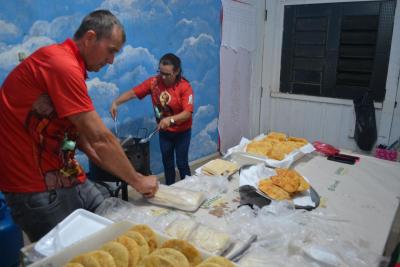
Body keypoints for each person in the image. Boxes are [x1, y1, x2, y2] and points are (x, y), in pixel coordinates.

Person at [0, 10, 158, 242]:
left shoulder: (68, 64)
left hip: (66, 172)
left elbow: (85, 141)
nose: (112, 60)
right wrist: (137, 180)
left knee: (111, 232)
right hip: (35, 185)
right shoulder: (61, 65)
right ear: (90, 38)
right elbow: (100, 138)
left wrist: (130, 177)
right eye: (111, 50)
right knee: (74, 254)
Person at [110, 53, 194, 185]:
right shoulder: (154, 83)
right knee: (167, 163)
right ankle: (171, 189)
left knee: (182, 162)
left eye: (167, 74)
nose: (163, 77)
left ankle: (190, 189)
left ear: (177, 71)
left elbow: (187, 113)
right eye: (161, 73)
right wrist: (116, 102)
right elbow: (133, 93)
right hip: (165, 133)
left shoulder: (184, 87)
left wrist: (170, 120)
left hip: (182, 132)